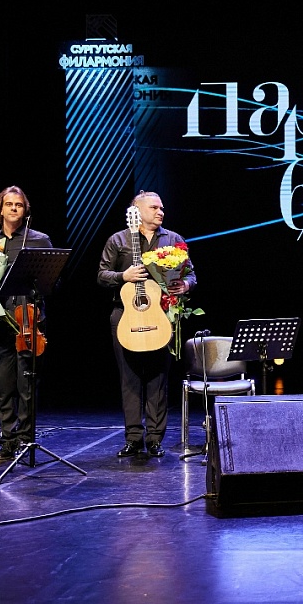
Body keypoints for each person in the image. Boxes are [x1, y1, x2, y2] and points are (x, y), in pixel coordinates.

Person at [97, 191, 196, 458]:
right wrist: (123, 275)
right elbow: (102, 275)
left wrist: (184, 285)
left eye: (161, 207)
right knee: (129, 379)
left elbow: (191, 274)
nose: (160, 211)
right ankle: (133, 438)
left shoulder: (173, 239)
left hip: (160, 315)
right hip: (126, 314)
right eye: (154, 207)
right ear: (136, 211)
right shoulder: (118, 240)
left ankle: (154, 439)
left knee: (158, 378)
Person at [0, 185, 54, 461]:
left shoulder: (39, 240)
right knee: (3, 384)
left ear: (25, 210)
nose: (14, 208)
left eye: (19, 205)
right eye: (9, 204)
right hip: (0, 319)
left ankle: (26, 439)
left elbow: (53, 280)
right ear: (0, 209)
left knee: (27, 384)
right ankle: (8, 439)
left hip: (29, 319)